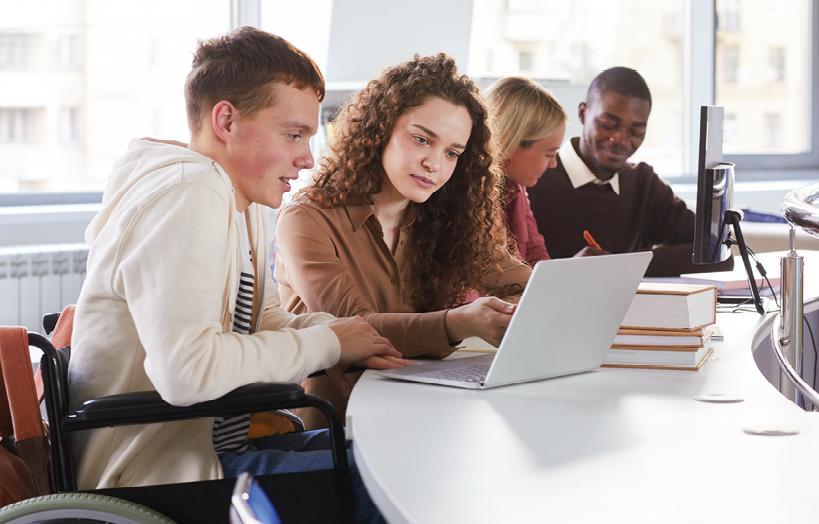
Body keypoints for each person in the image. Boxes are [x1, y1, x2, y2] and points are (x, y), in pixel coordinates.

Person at [68, 27, 408, 522]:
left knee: (390, 455)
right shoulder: (189, 191)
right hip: (155, 478)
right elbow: (187, 372)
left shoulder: (239, 196)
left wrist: (343, 333)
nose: (307, 158)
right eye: (293, 134)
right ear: (225, 120)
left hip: (211, 456)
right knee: (397, 483)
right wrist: (330, 346)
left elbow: (261, 319)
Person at [274, 54, 532, 427]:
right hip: (335, 433)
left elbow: (522, 286)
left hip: (426, 413)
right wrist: (460, 323)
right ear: (380, 129)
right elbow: (357, 329)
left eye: (452, 153)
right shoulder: (306, 217)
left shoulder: (450, 215)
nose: (435, 164)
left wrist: (511, 312)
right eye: (421, 139)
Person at [527, 67, 733, 276]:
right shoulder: (534, 179)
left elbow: (716, 254)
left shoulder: (643, 185)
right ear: (583, 113)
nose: (620, 139)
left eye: (636, 131)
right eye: (607, 124)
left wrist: (619, 266)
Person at [484, 76, 567, 266]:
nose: (553, 164)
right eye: (549, 154)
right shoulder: (465, 192)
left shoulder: (517, 187)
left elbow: (535, 254)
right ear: (512, 144)